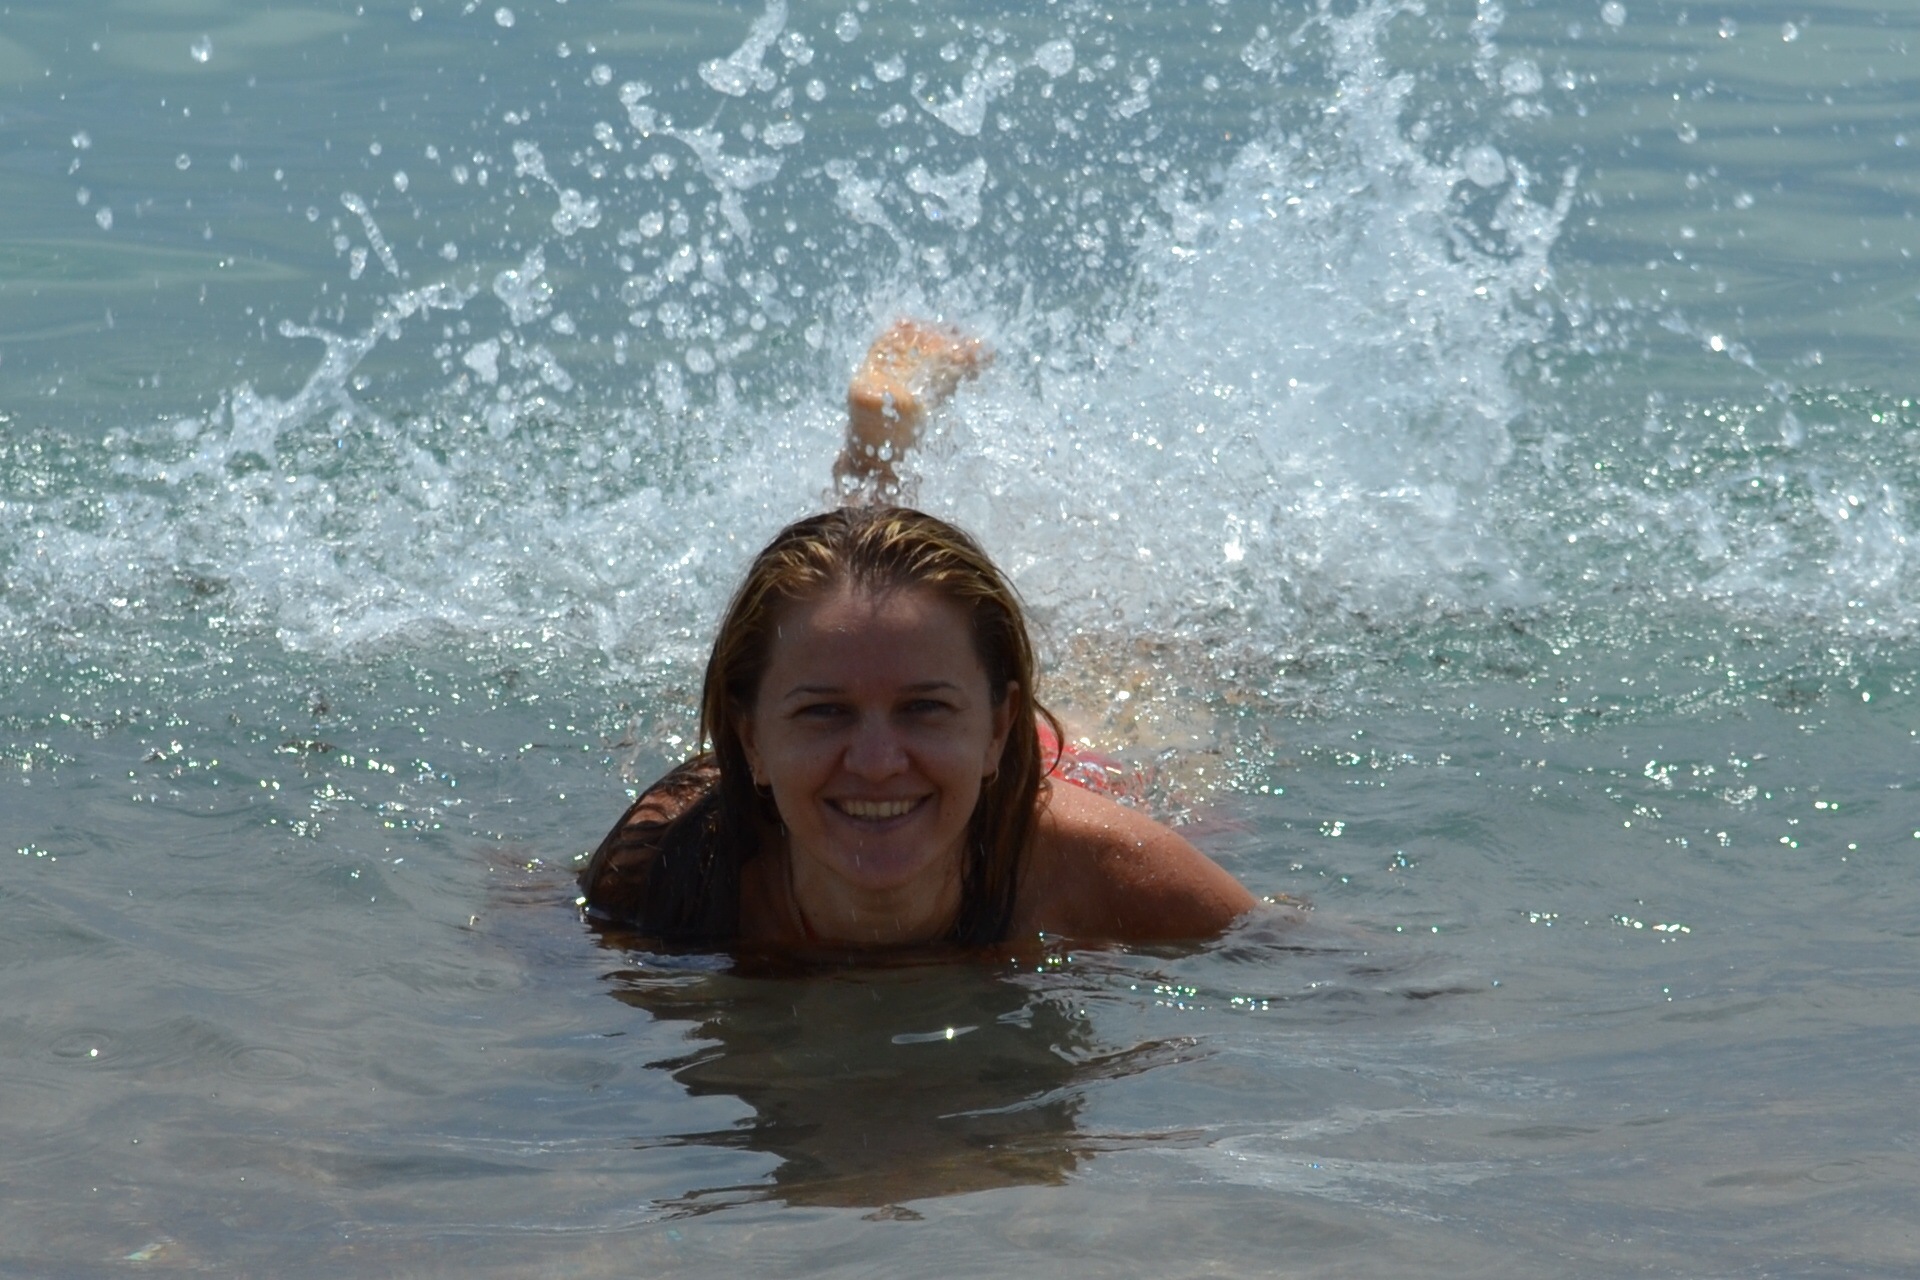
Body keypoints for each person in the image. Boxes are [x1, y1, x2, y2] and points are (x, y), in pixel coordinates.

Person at [580, 321, 1258, 950]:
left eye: (923, 707)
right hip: (904, 759)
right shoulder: (666, 873)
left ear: (1001, 729)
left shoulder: (1097, 866)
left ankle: (879, 451)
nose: (877, 763)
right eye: (824, 712)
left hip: (1058, 767)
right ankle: (879, 453)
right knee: (849, 601)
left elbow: (1301, 965)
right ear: (748, 737)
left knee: (1136, 702)